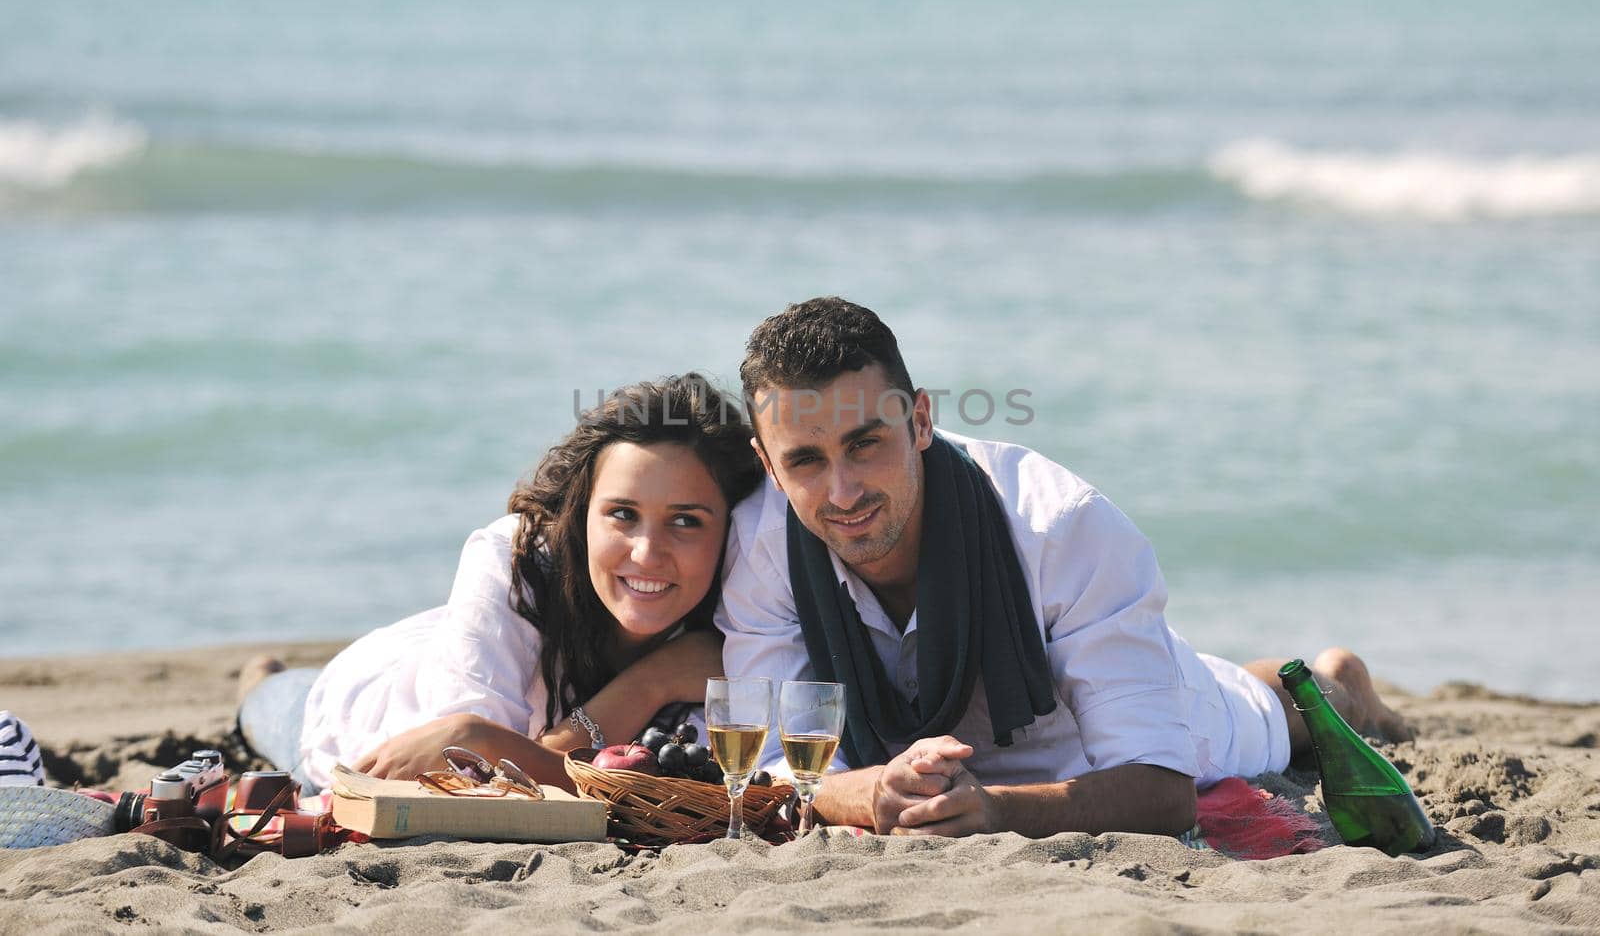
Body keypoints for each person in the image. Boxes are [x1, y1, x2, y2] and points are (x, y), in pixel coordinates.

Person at [716, 297, 1411, 838]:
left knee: (1267, 711)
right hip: (943, 753)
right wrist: (868, 792)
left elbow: (1164, 790)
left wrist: (995, 810)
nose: (842, 491)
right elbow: (772, 757)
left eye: (865, 443)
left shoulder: (1061, 525)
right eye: (806, 459)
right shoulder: (761, 542)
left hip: (1142, 734)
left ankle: (1339, 684)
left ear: (920, 421)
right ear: (769, 464)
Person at [237, 373, 764, 793]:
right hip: (365, 706)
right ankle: (259, 678)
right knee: (271, 704)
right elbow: (473, 780)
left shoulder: (747, 606)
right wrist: (652, 682)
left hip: (465, 646)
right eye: (622, 513)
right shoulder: (514, 558)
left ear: (730, 526)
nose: (647, 552)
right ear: (582, 514)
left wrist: (492, 740)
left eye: (686, 520)